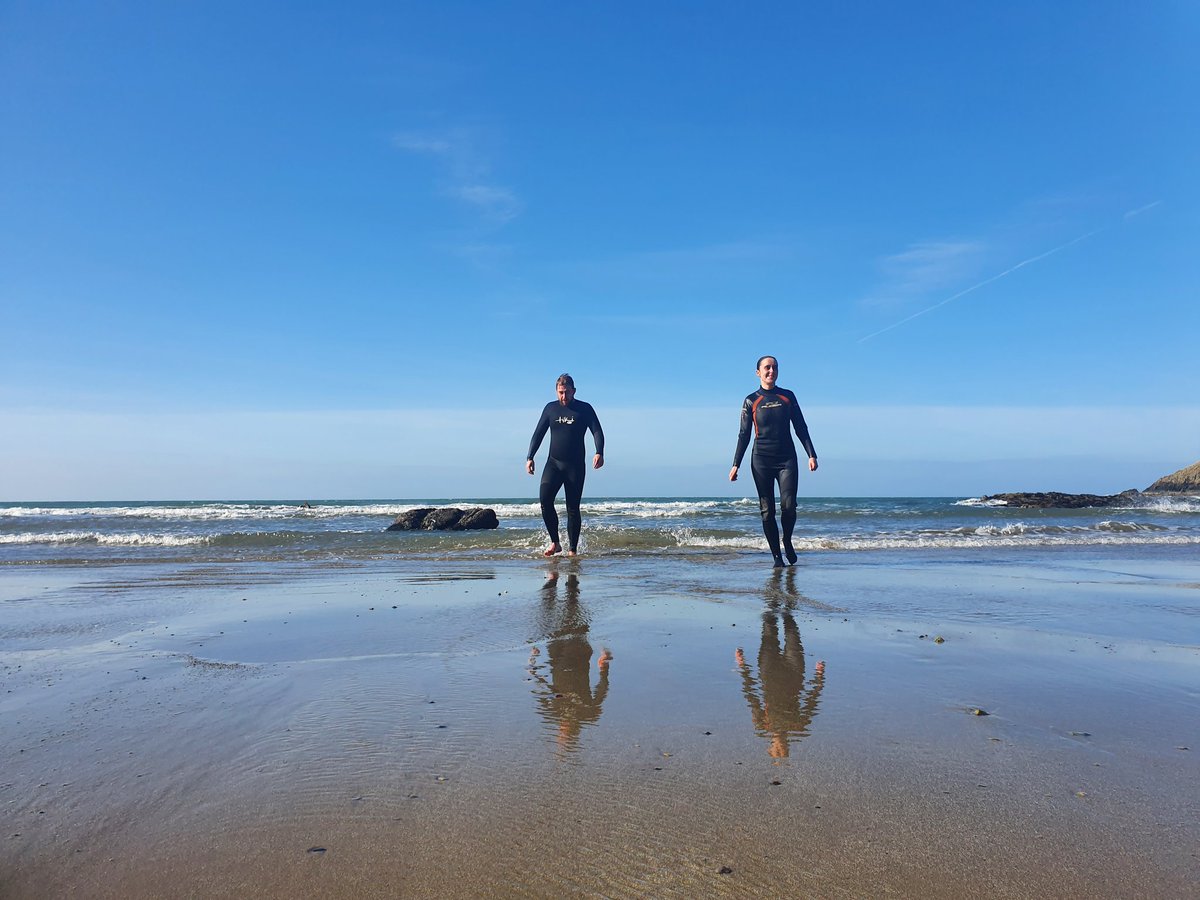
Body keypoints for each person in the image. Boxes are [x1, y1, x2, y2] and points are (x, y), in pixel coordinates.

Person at [729, 355, 818, 567]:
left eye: (774, 367)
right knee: (767, 510)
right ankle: (777, 557)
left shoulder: (788, 396)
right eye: (767, 368)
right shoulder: (751, 400)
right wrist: (736, 464)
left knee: (789, 506)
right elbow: (743, 435)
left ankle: (787, 540)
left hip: (787, 458)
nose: (771, 371)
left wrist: (811, 454)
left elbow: (800, 427)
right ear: (758, 372)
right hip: (761, 460)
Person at [526, 373, 605, 556]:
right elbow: (538, 433)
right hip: (553, 463)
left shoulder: (584, 409)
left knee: (572, 508)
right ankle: (555, 542)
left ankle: (572, 550)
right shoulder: (550, 409)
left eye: (567, 392)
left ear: (574, 391)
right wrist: (530, 457)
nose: (563, 396)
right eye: (560, 393)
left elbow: (597, 431)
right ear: (556, 391)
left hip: (575, 466)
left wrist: (599, 452)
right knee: (545, 501)